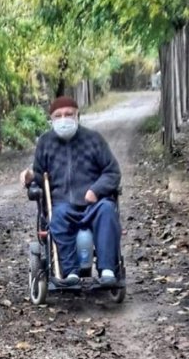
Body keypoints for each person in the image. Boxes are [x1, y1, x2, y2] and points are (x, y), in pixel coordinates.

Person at [20, 96, 121, 287]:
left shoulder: (94, 139)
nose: (63, 119)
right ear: (51, 119)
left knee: (108, 211)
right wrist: (30, 177)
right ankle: (70, 273)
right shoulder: (45, 142)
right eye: (58, 116)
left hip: (94, 203)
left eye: (68, 114)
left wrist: (96, 190)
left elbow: (112, 171)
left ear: (78, 116)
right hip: (62, 205)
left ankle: (107, 270)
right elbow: (41, 178)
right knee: (57, 218)